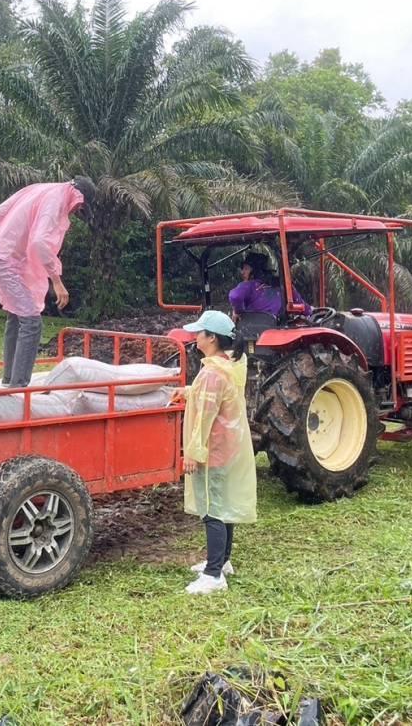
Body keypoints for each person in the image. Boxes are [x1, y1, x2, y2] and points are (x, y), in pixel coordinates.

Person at [0, 177, 95, 387]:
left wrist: (11, 236)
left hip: (0, 255)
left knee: (17, 317)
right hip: (8, 262)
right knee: (32, 322)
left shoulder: (40, 190)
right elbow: (39, 242)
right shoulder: (56, 201)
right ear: (77, 196)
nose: (76, 211)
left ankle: (9, 379)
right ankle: (18, 386)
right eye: (79, 206)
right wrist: (57, 281)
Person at [178, 309, 256, 596]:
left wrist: (194, 453)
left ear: (211, 338)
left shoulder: (212, 372)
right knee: (223, 506)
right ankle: (223, 562)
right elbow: (212, 397)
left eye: (200, 332)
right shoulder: (229, 365)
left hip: (214, 448)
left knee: (211, 510)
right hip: (230, 445)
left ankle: (213, 575)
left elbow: (205, 417)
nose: (195, 336)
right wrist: (188, 392)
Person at [228, 250, 309, 319]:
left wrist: (238, 311)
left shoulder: (249, 286)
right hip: (278, 331)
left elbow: (234, 296)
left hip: (252, 334)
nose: (242, 272)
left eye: (246, 268)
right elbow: (303, 308)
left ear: (254, 271)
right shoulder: (282, 285)